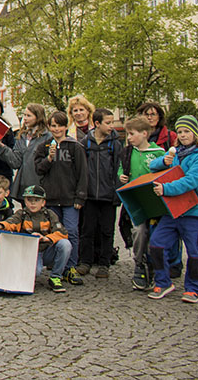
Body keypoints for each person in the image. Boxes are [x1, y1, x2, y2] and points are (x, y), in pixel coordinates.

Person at [147, 115, 198, 303]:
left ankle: (193, 287)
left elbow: (190, 181)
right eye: (181, 132)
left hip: (195, 212)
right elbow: (152, 166)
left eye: (187, 132)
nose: (183, 135)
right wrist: (164, 161)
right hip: (172, 211)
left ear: (195, 134)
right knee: (157, 244)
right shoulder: (176, 154)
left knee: (195, 252)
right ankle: (163, 281)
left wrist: (167, 189)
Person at [34, 110, 87, 286]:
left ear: (66, 127)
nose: (56, 129)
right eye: (53, 126)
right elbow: (39, 170)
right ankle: (58, 266)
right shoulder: (43, 146)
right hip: (51, 199)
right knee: (54, 233)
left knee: (71, 231)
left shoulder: (75, 147)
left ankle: (71, 267)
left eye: (59, 126)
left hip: (70, 198)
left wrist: (80, 197)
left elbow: (82, 174)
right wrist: (49, 158)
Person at [0, 184, 72, 293]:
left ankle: (55, 277)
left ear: (43, 202)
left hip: (46, 250)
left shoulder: (49, 214)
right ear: (25, 202)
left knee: (65, 244)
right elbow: (11, 223)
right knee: (36, 272)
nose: (33, 203)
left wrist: (45, 238)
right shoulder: (21, 214)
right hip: (29, 253)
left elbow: (62, 232)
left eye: (36, 200)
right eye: (29, 199)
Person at [119, 115, 167, 290]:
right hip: (136, 201)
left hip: (155, 202)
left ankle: (156, 267)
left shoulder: (158, 153)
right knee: (139, 231)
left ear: (144, 133)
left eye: (132, 134)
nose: (129, 138)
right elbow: (121, 170)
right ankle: (139, 264)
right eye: (128, 134)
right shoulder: (128, 152)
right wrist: (122, 177)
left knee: (156, 235)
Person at [77, 107, 121, 278]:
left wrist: (116, 193)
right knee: (87, 230)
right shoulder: (85, 143)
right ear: (97, 123)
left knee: (107, 231)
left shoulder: (115, 144)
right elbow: (80, 170)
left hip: (108, 196)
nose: (111, 126)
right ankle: (85, 262)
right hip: (89, 196)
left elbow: (118, 168)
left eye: (112, 122)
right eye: (108, 123)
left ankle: (104, 263)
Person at [10, 103, 52, 201]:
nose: (25, 118)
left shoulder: (47, 137)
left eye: (28, 116)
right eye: (24, 115)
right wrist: (3, 148)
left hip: (40, 182)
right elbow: (16, 161)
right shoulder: (22, 136)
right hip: (24, 183)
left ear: (38, 117)